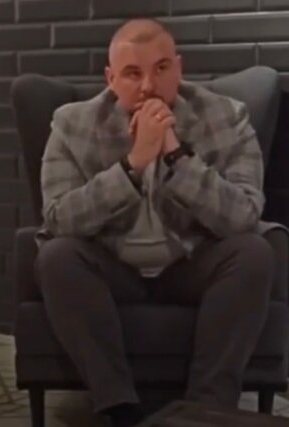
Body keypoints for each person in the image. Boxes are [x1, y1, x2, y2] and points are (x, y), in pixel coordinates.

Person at [36, 18, 284, 427]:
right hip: (113, 265)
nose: (149, 86)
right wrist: (133, 165)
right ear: (111, 79)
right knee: (56, 256)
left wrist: (175, 155)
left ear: (179, 68)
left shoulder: (226, 117)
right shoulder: (72, 124)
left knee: (253, 252)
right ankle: (120, 408)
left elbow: (243, 215)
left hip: (190, 263)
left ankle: (206, 411)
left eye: (162, 68)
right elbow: (59, 218)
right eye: (133, 73)